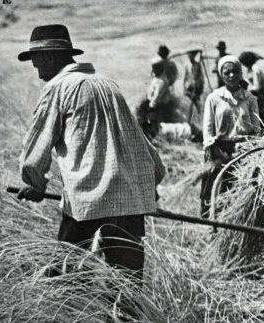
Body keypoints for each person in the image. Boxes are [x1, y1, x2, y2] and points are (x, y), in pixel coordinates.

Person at [16, 24, 165, 281]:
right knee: (127, 284)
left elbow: (36, 146)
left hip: (88, 198)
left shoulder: (58, 88)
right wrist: (152, 182)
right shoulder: (109, 85)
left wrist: (35, 184)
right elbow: (142, 144)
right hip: (130, 199)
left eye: (37, 63)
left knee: (65, 279)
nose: (38, 72)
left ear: (49, 57)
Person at [201, 55, 262, 218]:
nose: (231, 75)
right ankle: (215, 225)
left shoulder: (250, 99)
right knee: (218, 194)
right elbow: (208, 131)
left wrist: (247, 149)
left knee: (243, 196)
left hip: (245, 152)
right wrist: (217, 152)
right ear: (221, 75)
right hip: (219, 151)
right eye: (227, 73)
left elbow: (256, 130)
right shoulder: (214, 98)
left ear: (240, 73)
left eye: (235, 71)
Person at [239, 51, 264, 126]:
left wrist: (247, 87)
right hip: (256, 96)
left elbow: (257, 87)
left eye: (243, 63)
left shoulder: (255, 69)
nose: (243, 65)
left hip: (260, 97)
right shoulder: (250, 69)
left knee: (263, 119)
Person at [183, 49, 205, 119]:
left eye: (192, 55)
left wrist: (200, 85)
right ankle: (190, 117)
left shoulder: (197, 65)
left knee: (196, 101)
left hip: (196, 86)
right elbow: (185, 76)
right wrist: (184, 86)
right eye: (189, 55)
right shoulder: (187, 65)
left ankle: (199, 115)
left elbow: (201, 76)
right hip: (189, 85)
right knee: (189, 101)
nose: (190, 57)